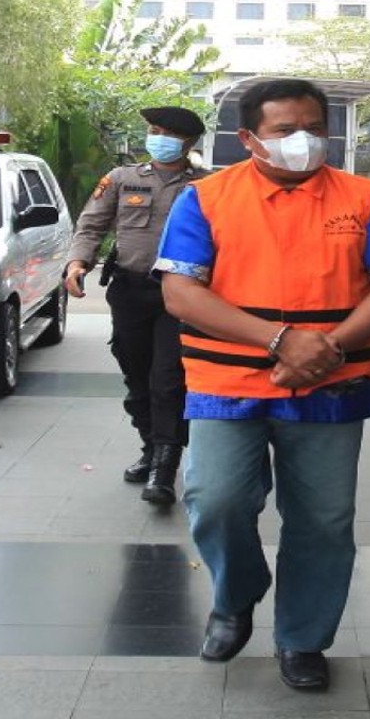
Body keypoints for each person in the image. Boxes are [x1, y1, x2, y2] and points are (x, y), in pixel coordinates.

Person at [155, 78, 370, 691]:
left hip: (334, 383)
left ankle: (303, 638)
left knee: (323, 520)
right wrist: (281, 340)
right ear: (249, 137)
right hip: (228, 384)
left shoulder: (366, 197)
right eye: (285, 130)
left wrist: (328, 347)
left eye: (314, 128)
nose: (303, 141)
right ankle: (237, 594)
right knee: (215, 501)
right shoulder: (206, 199)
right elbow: (180, 292)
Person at [65, 106, 210, 507]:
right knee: (136, 371)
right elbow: (91, 224)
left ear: (188, 142)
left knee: (168, 377)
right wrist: (78, 263)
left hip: (183, 296)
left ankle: (165, 465)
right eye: (152, 130)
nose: (156, 137)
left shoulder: (209, 185)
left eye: (164, 132)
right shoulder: (121, 178)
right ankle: (150, 445)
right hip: (130, 290)